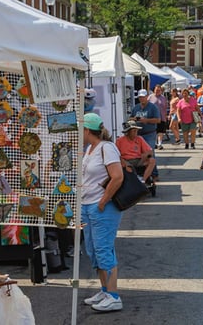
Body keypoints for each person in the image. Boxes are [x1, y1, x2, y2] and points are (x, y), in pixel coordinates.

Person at [80, 113, 124, 312]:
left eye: (81, 129)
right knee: (93, 250)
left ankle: (113, 296)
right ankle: (105, 290)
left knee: (104, 249)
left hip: (102, 207)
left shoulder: (107, 147)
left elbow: (117, 177)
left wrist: (103, 201)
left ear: (87, 130)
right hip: (89, 205)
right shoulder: (91, 148)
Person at [115, 120, 156, 195]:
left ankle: (143, 180)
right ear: (128, 132)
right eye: (133, 131)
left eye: (136, 131)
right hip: (126, 161)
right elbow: (116, 155)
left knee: (152, 160)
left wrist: (146, 155)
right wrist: (123, 162)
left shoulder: (139, 139)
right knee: (124, 164)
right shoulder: (120, 141)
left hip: (138, 160)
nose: (135, 133)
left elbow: (149, 151)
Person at [130, 89, 160, 180]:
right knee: (138, 154)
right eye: (140, 97)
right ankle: (143, 173)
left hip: (149, 133)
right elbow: (130, 117)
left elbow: (158, 120)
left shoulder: (153, 107)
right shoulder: (136, 107)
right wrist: (134, 119)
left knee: (150, 152)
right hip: (138, 134)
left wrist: (146, 120)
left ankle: (155, 174)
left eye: (143, 97)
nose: (142, 99)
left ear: (147, 97)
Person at [148, 85, 169, 150]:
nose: (157, 91)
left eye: (159, 90)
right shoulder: (150, 97)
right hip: (152, 117)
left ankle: (159, 144)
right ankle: (154, 144)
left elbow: (165, 107)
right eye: (156, 90)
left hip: (161, 117)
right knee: (154, 131)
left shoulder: (163, 98)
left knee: (160, 131)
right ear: (154, 90)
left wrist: (166, 116)